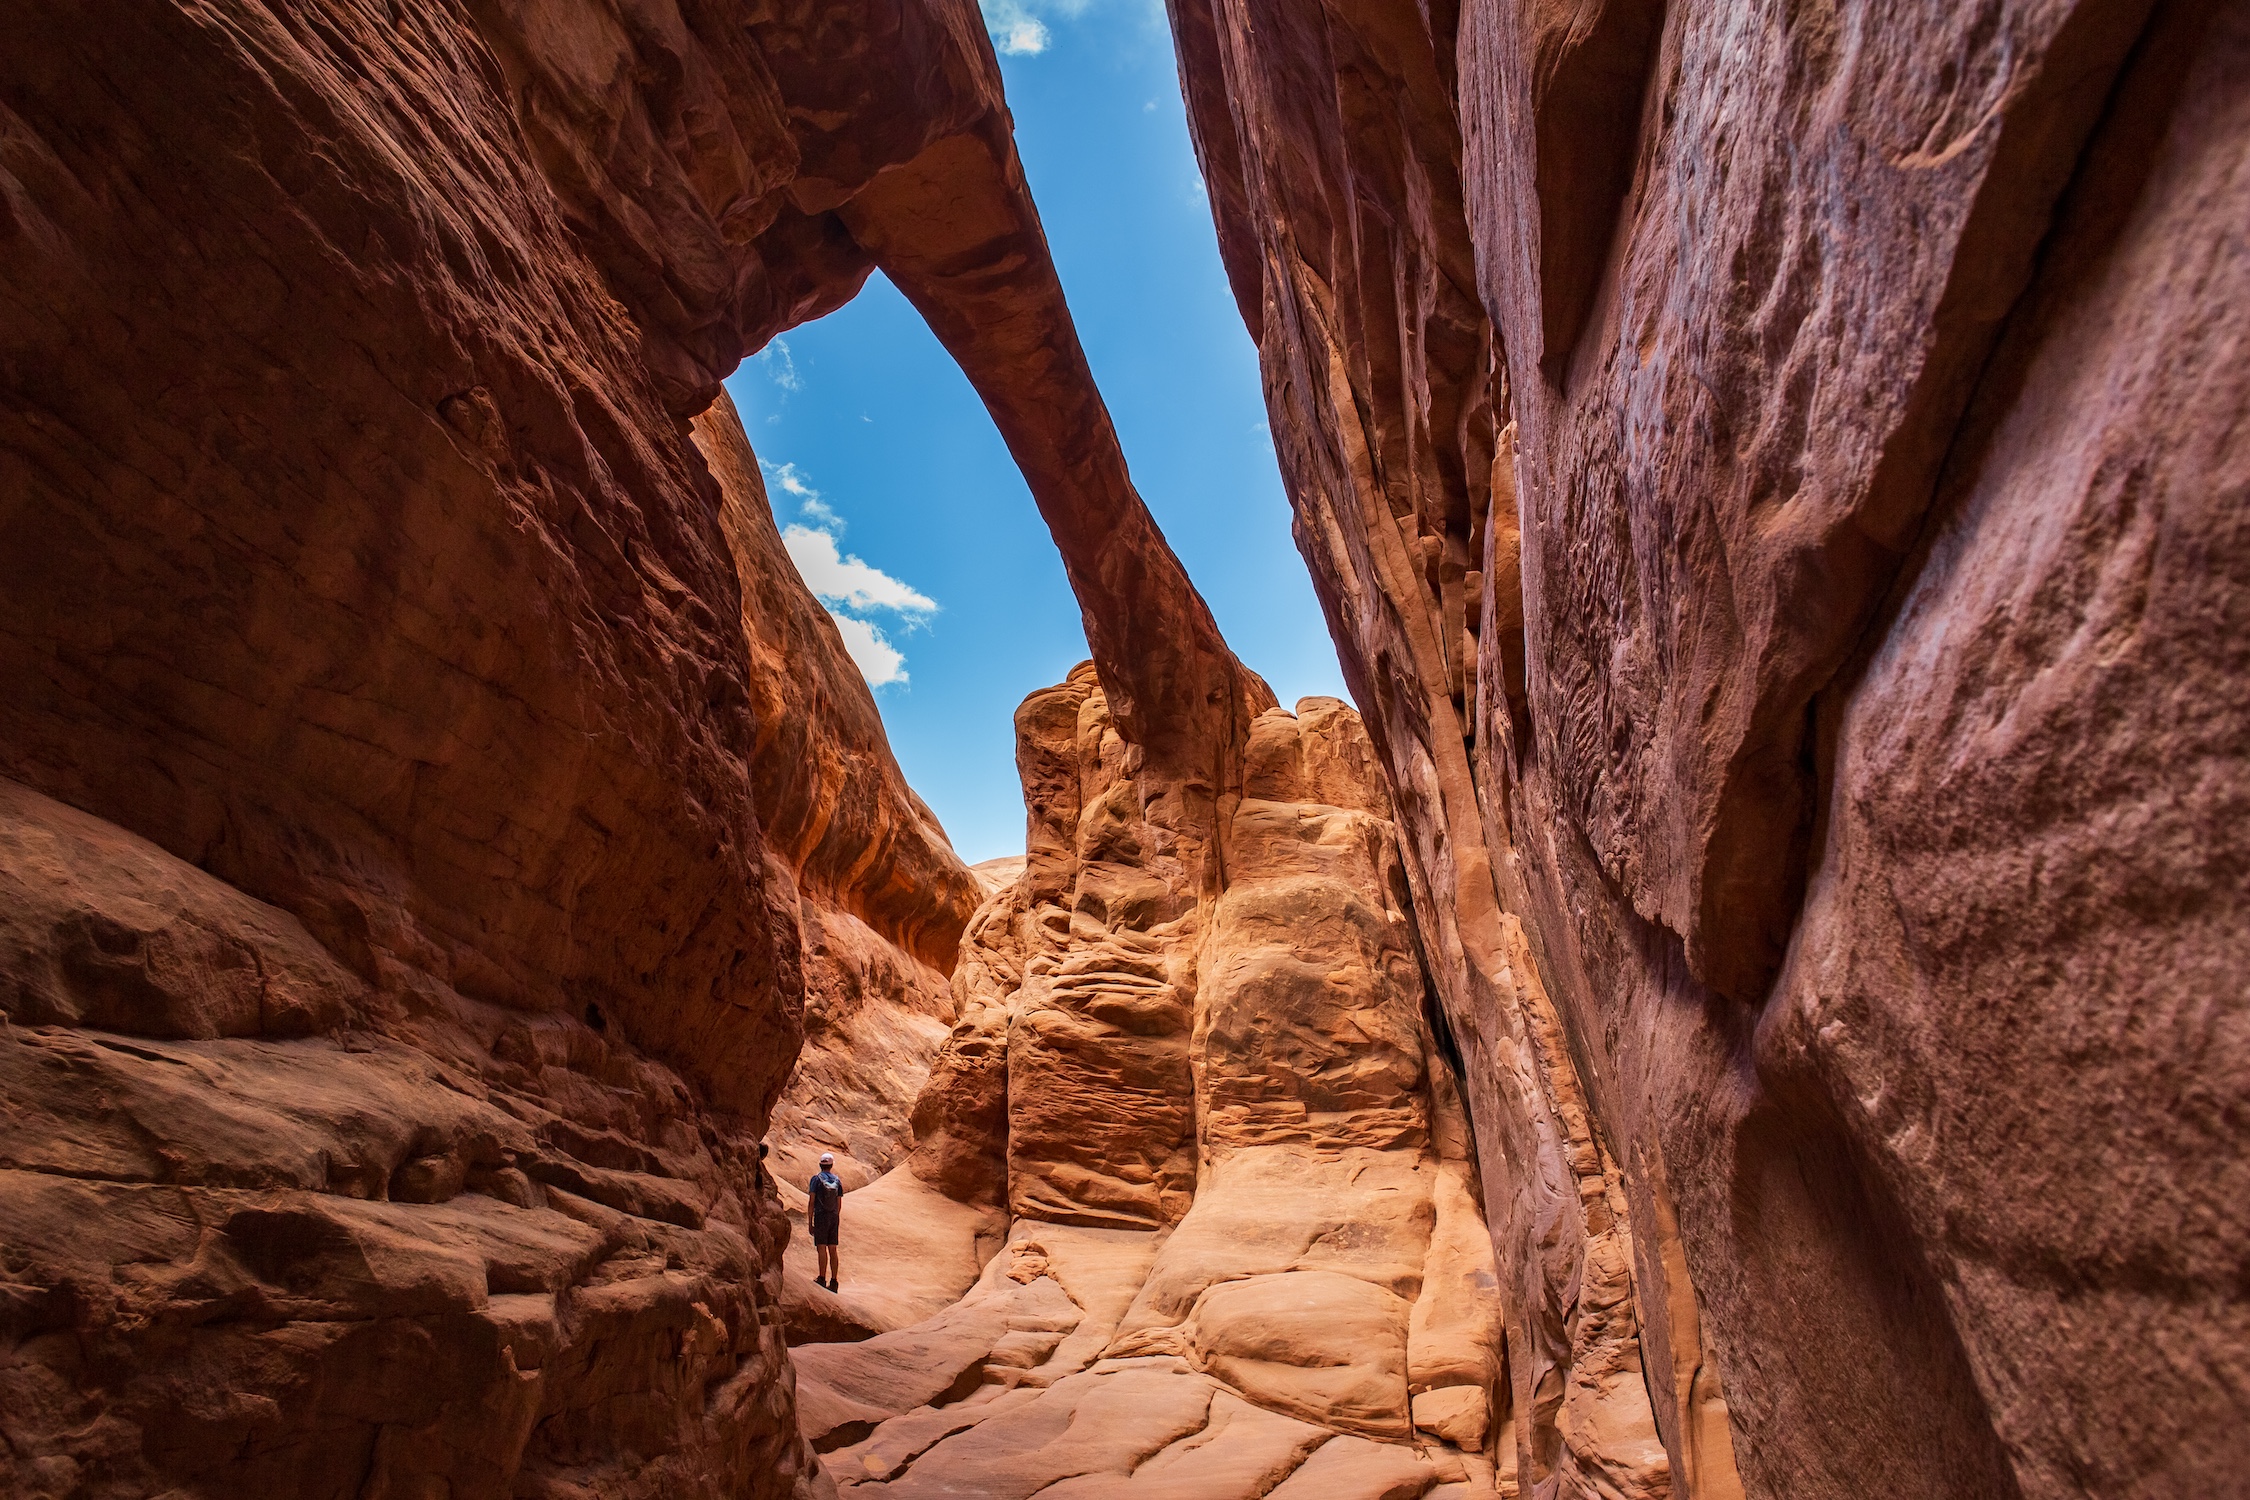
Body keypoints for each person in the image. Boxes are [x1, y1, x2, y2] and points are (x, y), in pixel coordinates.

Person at [808, 1152, 844, 1292]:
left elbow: (812, 1201)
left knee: (821, 1247)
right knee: (833, 1249)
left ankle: (822, 1278)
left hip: (821, 1216)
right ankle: (834, 1281)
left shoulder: (816, 1180)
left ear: (820, 1165)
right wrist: (835, 1216)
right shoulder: (837, 1180)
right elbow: (839, 1203)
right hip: (833, 1217)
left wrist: (810, 1222)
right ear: (831, 1165)